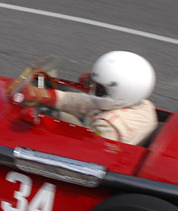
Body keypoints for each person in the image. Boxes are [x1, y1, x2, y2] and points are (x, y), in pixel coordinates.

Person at [18, 51, 159, 145]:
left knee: (45, 119)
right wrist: (47, 96)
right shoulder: (143, 105)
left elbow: (82, 147)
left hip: (90, 153)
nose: (92, 89)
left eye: (98, 87)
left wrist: (45, 117)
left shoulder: (108, 127)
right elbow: (89, 103)